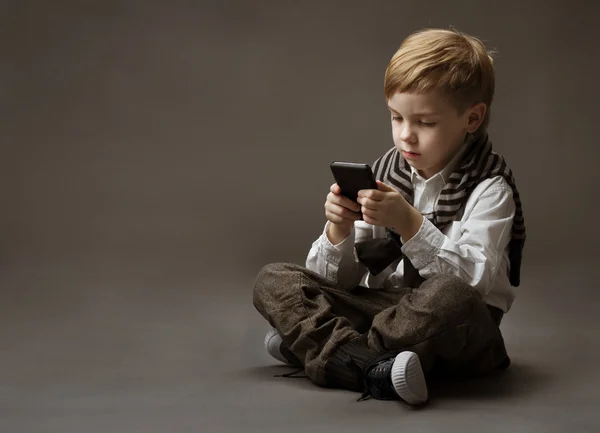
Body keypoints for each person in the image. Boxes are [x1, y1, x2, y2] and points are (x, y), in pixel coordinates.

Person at [252, 27, 526, 406]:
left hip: (458, 329)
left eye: (425, 123)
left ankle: (322, 349)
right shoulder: (387, 175)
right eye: (396, 118)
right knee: (274, 280)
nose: (405, 136)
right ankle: (373, 367)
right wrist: (339, 229)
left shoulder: (490, 188)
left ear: (472, 119)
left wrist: (410, 224)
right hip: (388, 311)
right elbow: (338, 282)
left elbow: (473, 287)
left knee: (448, 296)